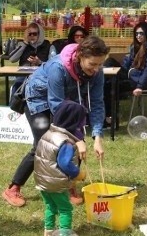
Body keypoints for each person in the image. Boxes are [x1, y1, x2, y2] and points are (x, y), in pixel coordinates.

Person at [2, 35, 109, 207]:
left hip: (66, 100)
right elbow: (57, 106)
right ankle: (13, 188)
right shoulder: (57, 67)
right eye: (92, 64)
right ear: (80, 56)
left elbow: (97, 103)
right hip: (39, 100)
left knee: (72, 144)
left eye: (100, 64)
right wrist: (78, 137)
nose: (96, 69)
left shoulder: (96, 71)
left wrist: (97, 137)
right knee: (44, 145)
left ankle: (67, 187)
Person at [34, 100, 87, 236]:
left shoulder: (48, 134)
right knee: (65, 209)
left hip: (42, 182)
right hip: (55, 184)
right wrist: (77, 173)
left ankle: (48, 231)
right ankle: (64, 233)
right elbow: (65, 163)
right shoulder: (66, 142)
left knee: (50, 206)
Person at [104, 22, 147, 125]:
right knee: (109, 62)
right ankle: (107, 115)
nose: (138, 36)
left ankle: (110, 117)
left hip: (139, 81)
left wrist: (140, 86)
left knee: (109, 85)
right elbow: (127, 65)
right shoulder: (135, 46)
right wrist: (119, 70)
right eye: (136, 33)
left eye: (141, 33)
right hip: (130, 75)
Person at [8, 22, 51, 95]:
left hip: (41, 75)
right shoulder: (23, 45)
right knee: (18, 84)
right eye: (29, 34)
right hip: (24, 76)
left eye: (34, 34)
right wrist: (24, 43)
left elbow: (53, 64)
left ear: (40, 34)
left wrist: (40, 62)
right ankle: (15, 105)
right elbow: (12, 59)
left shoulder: (48, 46)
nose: (32, 36)